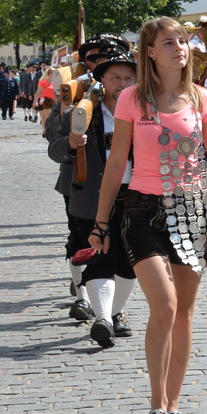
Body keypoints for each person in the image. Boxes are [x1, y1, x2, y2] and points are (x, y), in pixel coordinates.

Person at [88, 17, 207, 414]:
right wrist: (100, 221)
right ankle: (154, 403)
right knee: (165, 305)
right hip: (141, 210)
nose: (179, 47)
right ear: (150, 52)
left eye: (183, 40)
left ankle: (172, 404)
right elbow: (117, 164)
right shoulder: (133, 98)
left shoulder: (202, 98)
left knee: (185, 311)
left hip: (192, 209)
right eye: (168, 42)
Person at [52, 51, 141, 347]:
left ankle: (116, 313)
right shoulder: (81, 113)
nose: (122, 83)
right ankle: (103, 317)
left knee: (130, 261)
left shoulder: (147, 114)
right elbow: (54, 148)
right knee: (98, 256)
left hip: (135, 196)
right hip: (91, 196)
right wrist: (70, 143)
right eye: (116, 77)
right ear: (102, 80)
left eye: (129, 77)